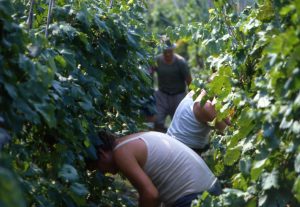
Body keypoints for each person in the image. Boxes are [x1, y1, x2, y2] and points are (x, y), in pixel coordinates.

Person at [86, 131, 222, 207]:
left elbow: (150, 196)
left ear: (102, 155)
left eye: (96, 168)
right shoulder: (131, 141)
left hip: (194, 199)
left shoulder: (121, 153)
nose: (102, 172)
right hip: (211, 189)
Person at [167, 86, 231, 154]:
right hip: (182, 150)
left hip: (172, 144)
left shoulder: (195, 92)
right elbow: (227, 130)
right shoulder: (205, 106)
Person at [151, 38, 192, 132]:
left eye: (169, 51)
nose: (168, 54)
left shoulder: (180, 62)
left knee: (180, 123)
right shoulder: (157, 60)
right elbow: (150, 74)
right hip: (162, 95)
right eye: (165, 52)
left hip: (178, 95)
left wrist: (191, 98)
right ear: (162, 51)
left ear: (173, 50)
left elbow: (189, 80)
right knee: (157, 121)